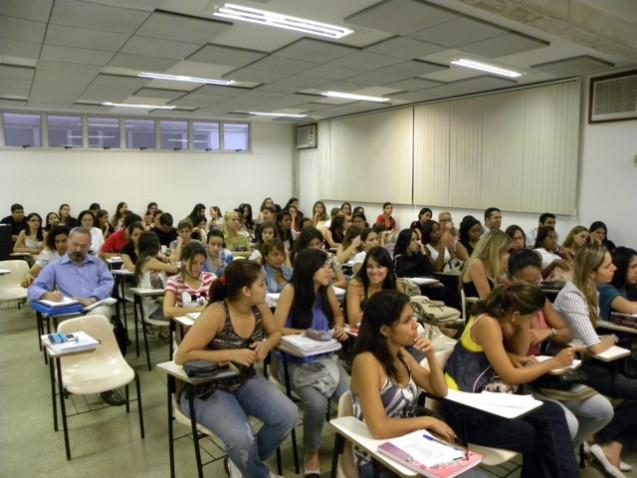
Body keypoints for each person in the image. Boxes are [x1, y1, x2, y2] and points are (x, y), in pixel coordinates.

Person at [443, 282, 580, 477]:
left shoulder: (496, 318)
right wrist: (553, 362)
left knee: (553, 413)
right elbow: (510, 375)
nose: (532, 322)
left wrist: (516, 350)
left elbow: (515, 351)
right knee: (544, 437)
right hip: (465, 409)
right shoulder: (487, 323)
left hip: (489, 401)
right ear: (515, 314)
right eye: (531, 316)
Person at [175, 260, 296, 478]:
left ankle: (241, 464)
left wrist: (266, 345)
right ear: (246, 290)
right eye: (261, 284)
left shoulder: (259, 307)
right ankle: (257, 473)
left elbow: (276, 333)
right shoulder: (217, 312)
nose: (265, 287)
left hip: (243, 379)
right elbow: (182, 355)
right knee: (242, 438)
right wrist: (229, 354)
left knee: (287, 415)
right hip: (205, 387)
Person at [351, 290, 465, 478]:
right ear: (385, 330)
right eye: (406, 321)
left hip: (410, 444)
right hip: (378, 456)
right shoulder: (366, 362)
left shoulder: (401, 353)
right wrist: (428, 421)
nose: (415, 326)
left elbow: (440, 390)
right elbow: (379, 428)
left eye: (413, 318)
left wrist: (430, 355)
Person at [507, 249, 614, 447]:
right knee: (569, 424)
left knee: (604, 410)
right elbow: (521, 353)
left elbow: (567, 333)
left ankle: (561, 455)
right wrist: (527, 316)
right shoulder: (508, 308)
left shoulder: (540, 299)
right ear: (511, 280)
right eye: (527, 282)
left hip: (549, 374)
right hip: (525, 380)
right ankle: (556, 459)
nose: (533, 287)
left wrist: (549, 333)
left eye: (536, 280)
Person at [554, 244, 637, 476]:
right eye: (608, 265)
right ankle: (603, 441)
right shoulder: (573, 296)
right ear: (591, 272)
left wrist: (605, 339)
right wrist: (611, 337)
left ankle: (608, 444)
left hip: (592, 360)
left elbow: (594, 340)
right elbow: (596, 345)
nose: (614, 269)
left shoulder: (593, 291)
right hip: (575, 366)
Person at [274, 248, 350, 477]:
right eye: (325, 267)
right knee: (317, 405)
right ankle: (312, 453)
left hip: (325, 357)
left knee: (350, 394)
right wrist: (307, 334)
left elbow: (338, 316)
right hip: (294, 361)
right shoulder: (291, 290)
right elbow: (276, 329)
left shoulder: (325, 291)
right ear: (309, 269)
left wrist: (338, 327)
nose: (330, 271)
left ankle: (347, 447)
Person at [27, 227, 123, 406]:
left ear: (89, 246)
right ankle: (78, 375)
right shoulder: (54, 266)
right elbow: (33, 289)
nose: (78, 249)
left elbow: (108, 282)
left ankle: (103, 384)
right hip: (69, 313)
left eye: (83, 246)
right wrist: (47, 295)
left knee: (99, 318)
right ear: (68, 243)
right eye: (75, 245)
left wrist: (93, 298)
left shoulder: (97, 263)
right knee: (91, 327)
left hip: (95, 307)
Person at [347, 246, 404, 327]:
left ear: (388, 269)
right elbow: (354, 321)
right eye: (370, 266)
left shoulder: (394, 283)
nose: (374, 271)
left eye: (379, 267)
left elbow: (404, 311)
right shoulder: (356, 284)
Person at [163, 242, 216, 320]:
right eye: (194, 263)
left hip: (208, 324)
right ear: (184, 261)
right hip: (187, 328)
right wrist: (198, 310)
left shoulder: (211, 278)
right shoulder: (174, 281)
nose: (198, 267)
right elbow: (167, 311)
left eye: (201, 263)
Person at [134, 232, 178, 323]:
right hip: (154, 309)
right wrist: (170, 259)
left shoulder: (143, 260)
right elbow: (174, 269)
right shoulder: (149, 260)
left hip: (153, 305)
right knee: (183, 311)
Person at [461, 230, 511, 299]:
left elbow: (510, 285)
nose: (505, 254)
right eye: (504, 251)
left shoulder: (489, 266)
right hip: (479, 308)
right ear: (496, 249)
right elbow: (487, 298)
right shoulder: (476, 263)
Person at [599, 247, 637, 319]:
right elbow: (631, 309)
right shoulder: (605, 288)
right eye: (633, 266)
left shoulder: (628, 286)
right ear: (622, 267)